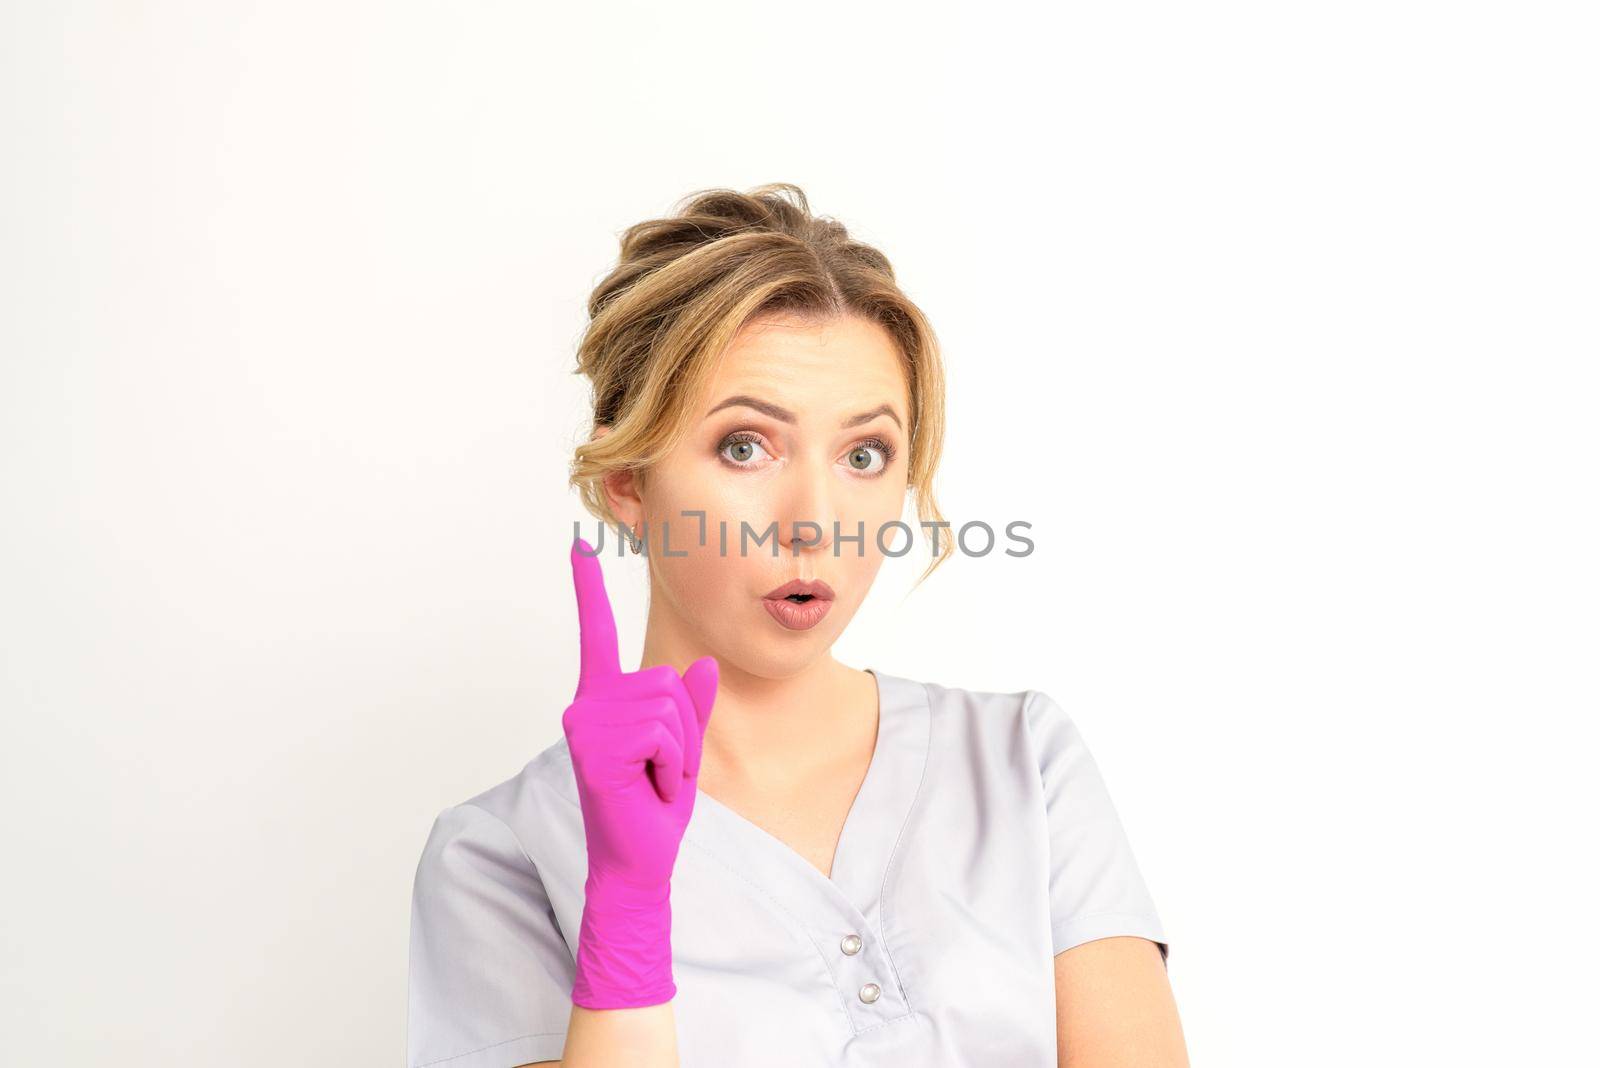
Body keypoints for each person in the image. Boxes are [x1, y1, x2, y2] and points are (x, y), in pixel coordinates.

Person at [406, 183, 1189, 1067]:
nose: (817, 519)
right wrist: (625, 905)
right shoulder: (499, 860)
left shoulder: (1024, 765)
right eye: (745, 445)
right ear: (628, 482)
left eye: (865, 455)